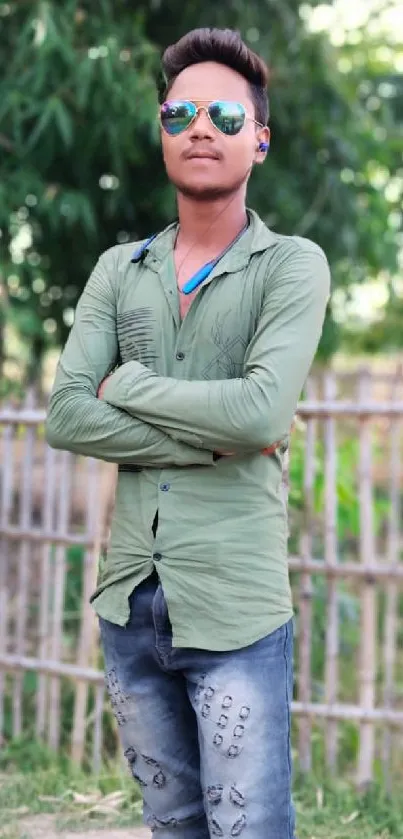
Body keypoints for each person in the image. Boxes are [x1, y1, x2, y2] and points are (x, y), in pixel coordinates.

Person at [46, 26, 330, 839]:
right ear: (162, 132)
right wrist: (224, 437)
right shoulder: (116, 270)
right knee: (171, 822)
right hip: (129, 601)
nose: (200, 129)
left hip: (235, 608)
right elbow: (66, 413)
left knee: (248, 828)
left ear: (260, 140)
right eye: (179, 115)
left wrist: (128, 386)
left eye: (224, 116)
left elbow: (262, 413)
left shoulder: (291, 266)